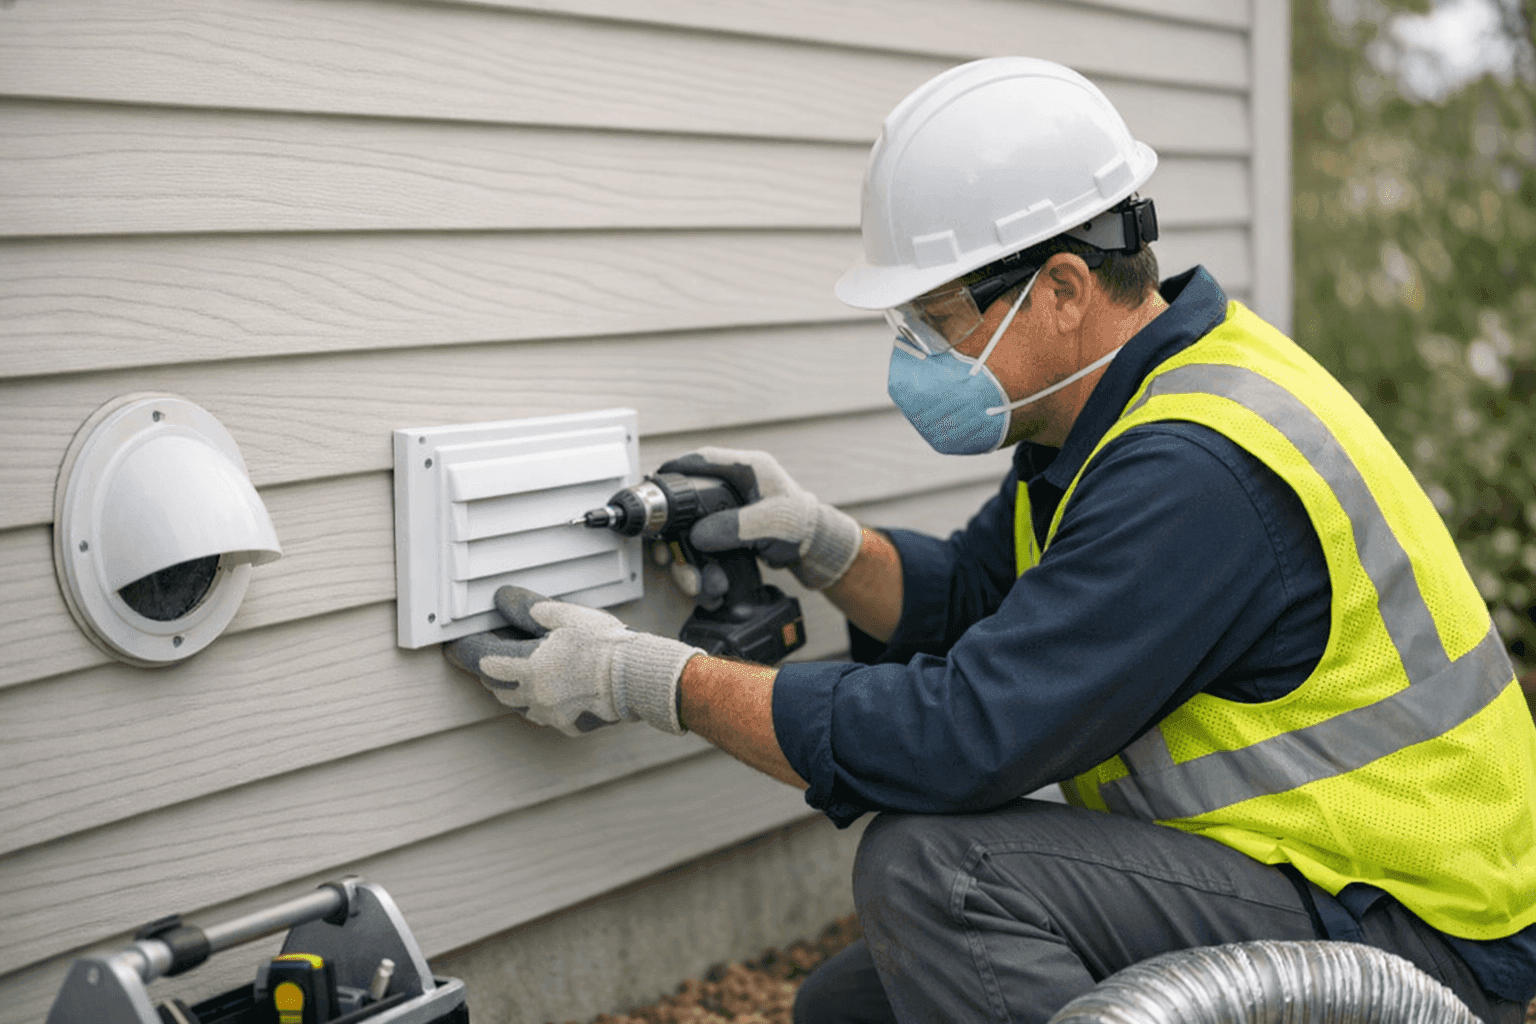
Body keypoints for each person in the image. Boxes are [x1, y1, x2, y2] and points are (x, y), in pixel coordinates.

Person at [446, 58, 1536, 1023]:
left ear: (1062, 289)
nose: (918, 355)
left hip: (1414, 940)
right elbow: (982, 590)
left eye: (940, 318)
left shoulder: (1192, 471)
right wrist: (828, 544)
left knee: (939, 873)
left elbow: (964, 734)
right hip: (1308, 874)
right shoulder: (1120, 405)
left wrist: (657, 680)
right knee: (852, 1006)